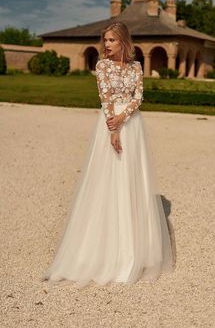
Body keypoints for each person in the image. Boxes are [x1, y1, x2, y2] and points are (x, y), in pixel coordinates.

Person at [42, 21, 173, 287]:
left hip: (132, 125)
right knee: (106, 182)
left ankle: (133, 250)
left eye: (111, 40)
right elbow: (105, 98)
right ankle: (102, 248)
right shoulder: (102, 66)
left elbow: (138, 97)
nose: (107, 45)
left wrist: (124, 118)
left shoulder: (136, 67)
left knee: (132, 181)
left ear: (124, 41)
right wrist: (113, 128)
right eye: (105, 40)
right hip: (109, 124)